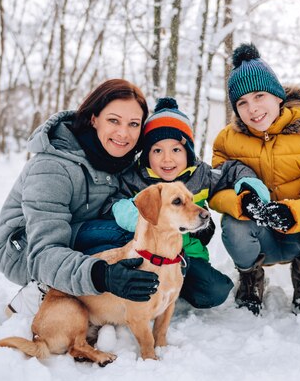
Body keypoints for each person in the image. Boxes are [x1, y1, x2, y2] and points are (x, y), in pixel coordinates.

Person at [0, 79, 160, 316]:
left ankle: (90, 298)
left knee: (135, 240)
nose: (124, 133)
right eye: (114, 120)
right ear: (94, 119)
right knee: (125, 238)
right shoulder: (52, 165)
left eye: (133, 124)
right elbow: (43, 251)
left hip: (78, 231)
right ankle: (39, 293)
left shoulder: (121, 161)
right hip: (25, 250)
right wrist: (102, 276)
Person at [209, 43, 300, 315]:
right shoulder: (227, 140)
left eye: (259, 96)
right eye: (242, 102)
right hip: (259, 235)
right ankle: (250, 277)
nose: (253, 109)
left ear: (277, 96)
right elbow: (216, 190)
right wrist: (241, 203)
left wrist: (293, 213)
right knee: (233, 227)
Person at [108, 97, 270, 309]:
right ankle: (150, 294)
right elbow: (118, 202)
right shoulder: (136, 177)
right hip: (148, 256)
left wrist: (251, 190)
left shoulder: (200, 175)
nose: (167, 159)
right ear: (147, 154)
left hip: (187, 256)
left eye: (176, 150)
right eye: (157, 150)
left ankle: (179, 289)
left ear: (188, 152)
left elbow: (233, 170)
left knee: (216, 291)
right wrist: (147, 218)